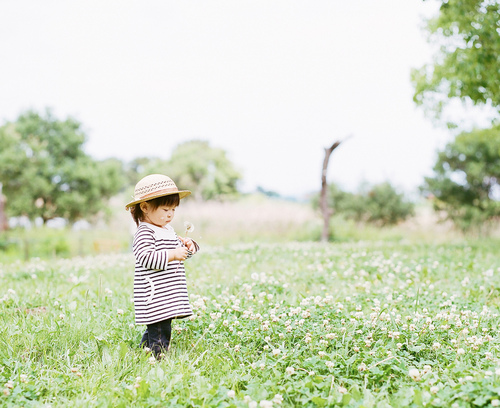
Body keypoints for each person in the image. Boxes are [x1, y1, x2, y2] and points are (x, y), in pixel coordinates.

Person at [126, 174, 199, 358]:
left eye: (173, 210)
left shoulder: (168, 230)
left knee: (161, 323)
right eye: (165, 209)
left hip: (168, 289)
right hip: (155, 291)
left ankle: (145, 350)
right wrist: (172, 254)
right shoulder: (145, 232)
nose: (170, 214)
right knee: (159, 325)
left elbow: (179, 254)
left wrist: (189, 247)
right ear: (145, 207)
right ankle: (158, 357)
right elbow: (145, 257)